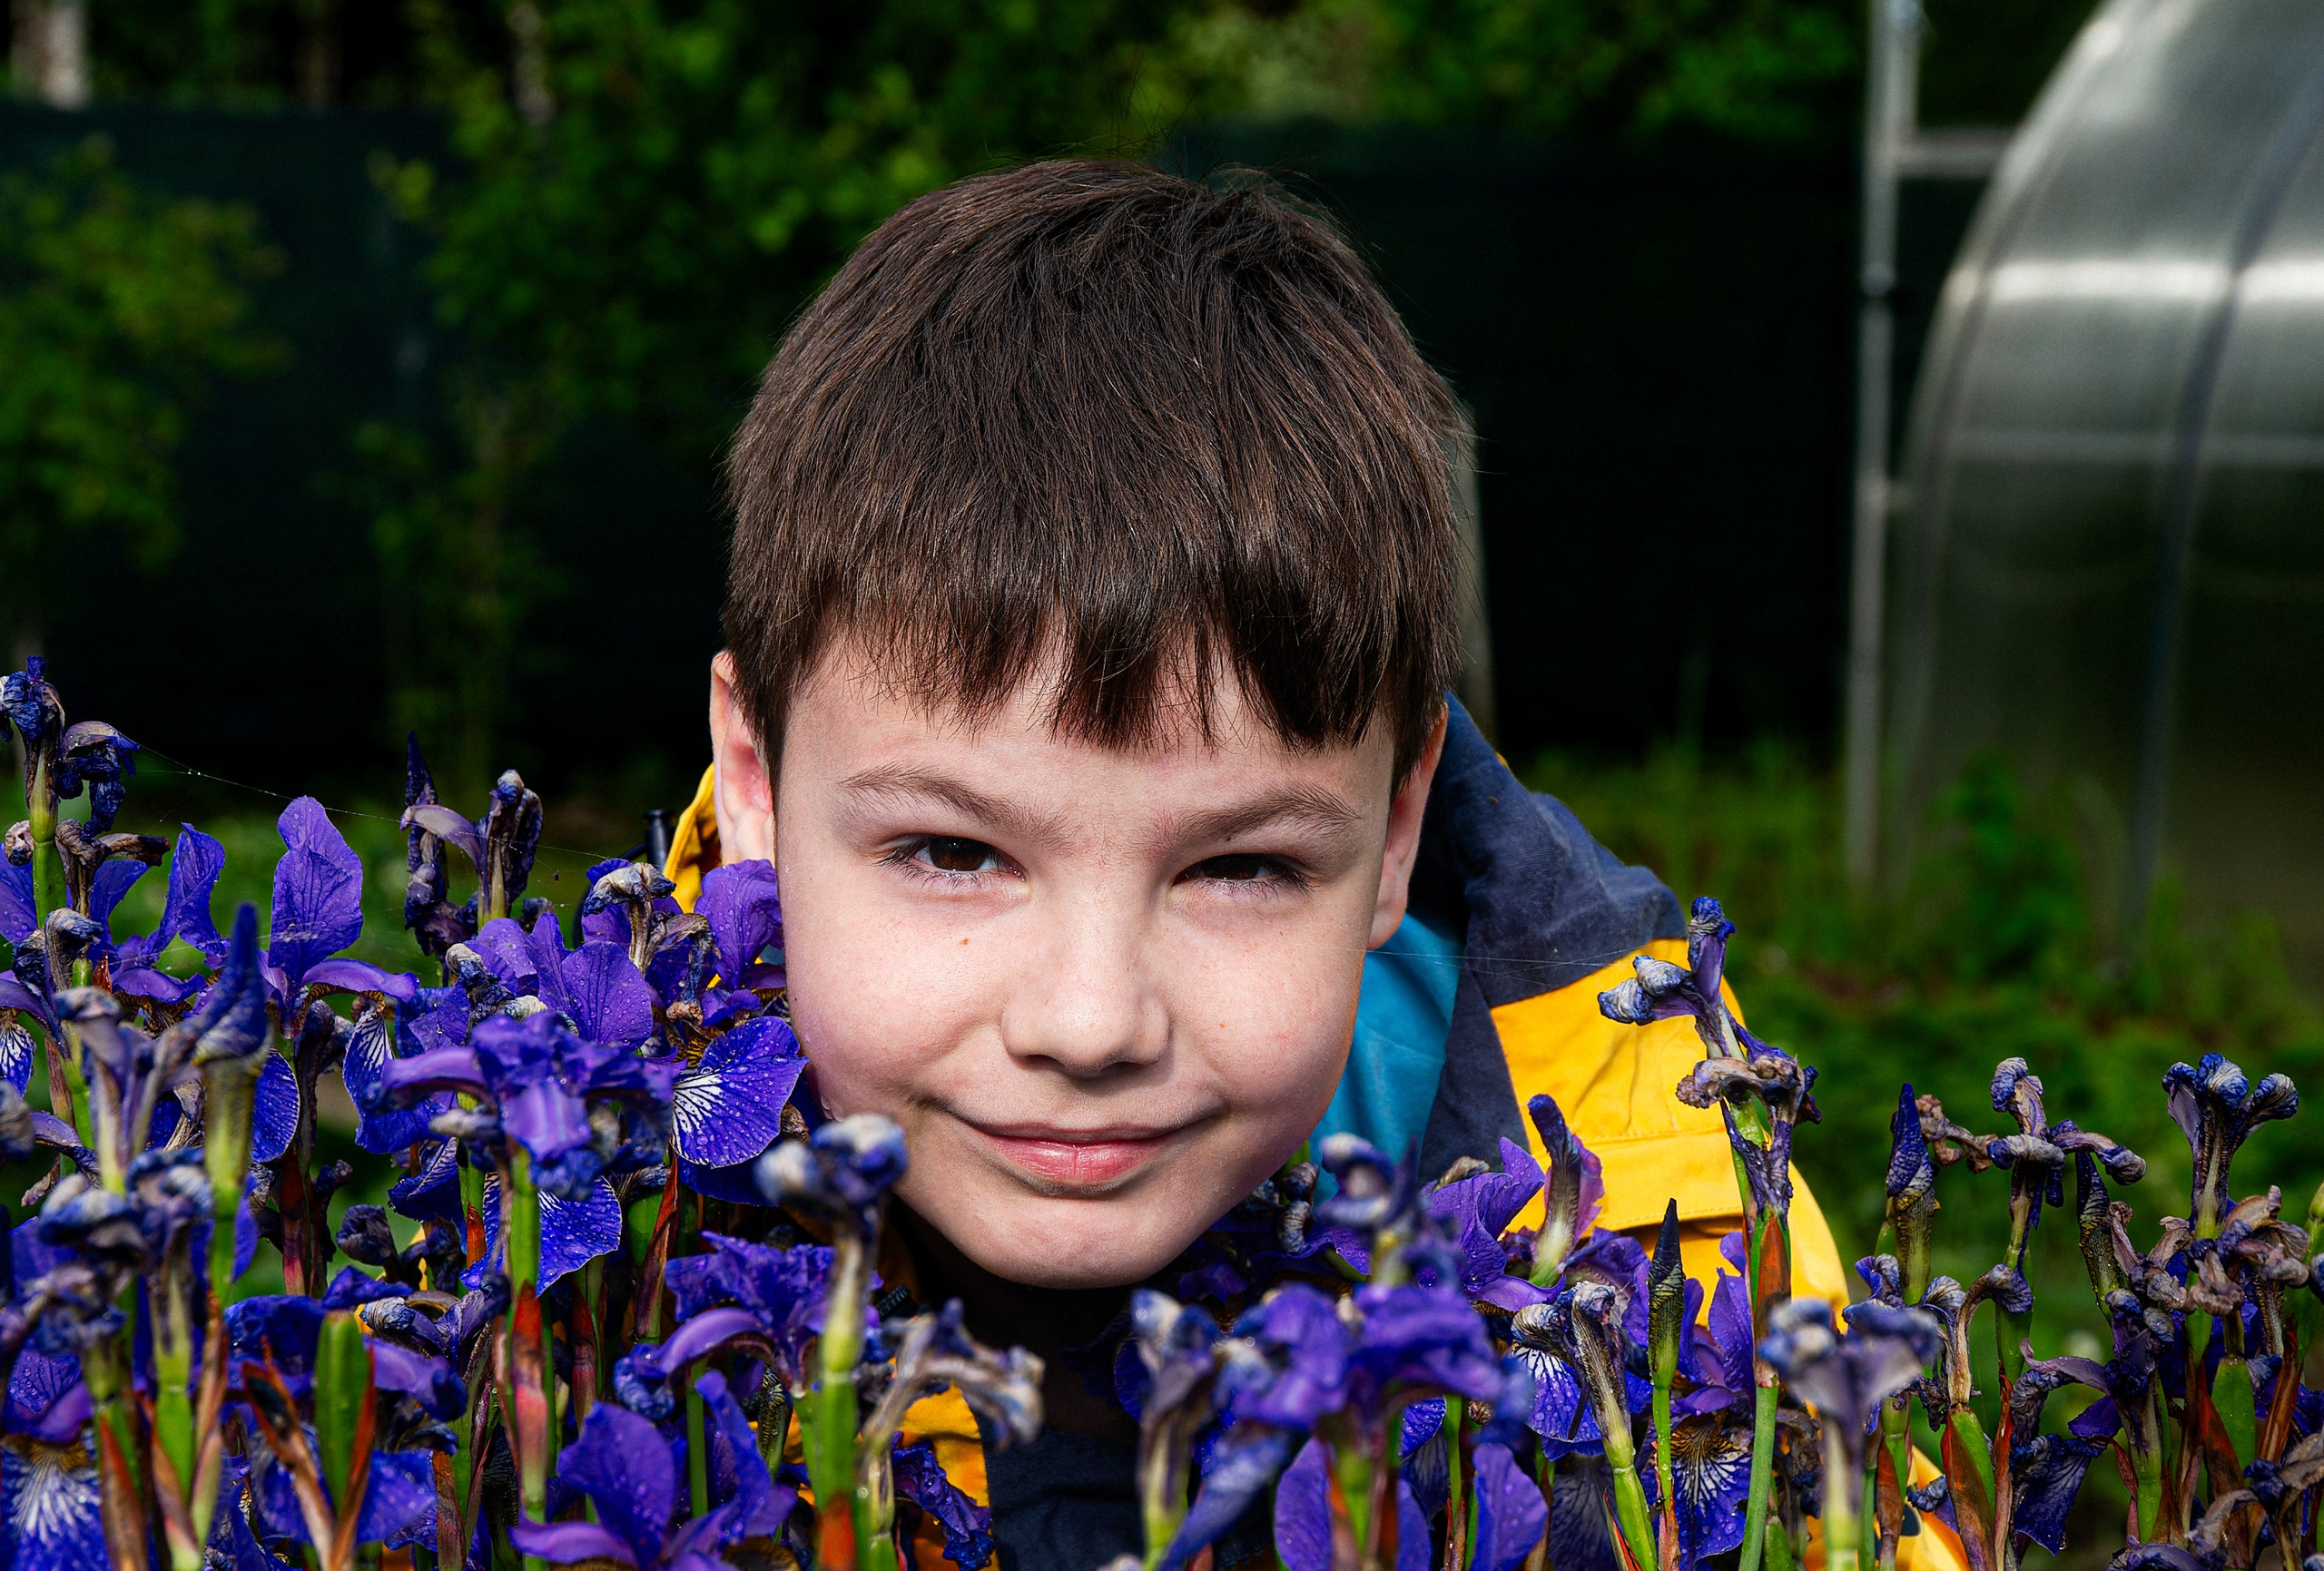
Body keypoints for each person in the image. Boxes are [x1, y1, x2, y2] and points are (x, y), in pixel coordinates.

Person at [665, 159, 1959, 1571]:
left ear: (1396, 831)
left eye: (1238, 870)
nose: (1090, 1024)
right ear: (754, 786)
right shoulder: (606, 1221)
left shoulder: (1653, 1186)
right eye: (952, 852)